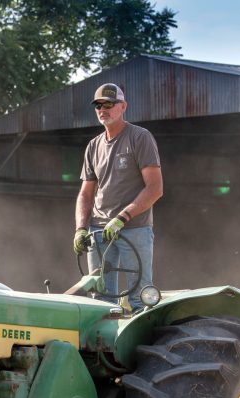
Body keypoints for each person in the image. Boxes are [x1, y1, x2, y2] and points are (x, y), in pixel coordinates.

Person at [73, 82, 163, 312]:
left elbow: (155, 188)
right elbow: (85, 193)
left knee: (141, 300)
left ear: (123, 107)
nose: (103, 109)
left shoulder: (140, 137)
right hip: (99, 231)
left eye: (109, 104)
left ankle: (139, 346)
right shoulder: (93, 146)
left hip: (135, 229)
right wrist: (81, 229)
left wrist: (122, 217)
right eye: (98, 105)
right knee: (101, 300)